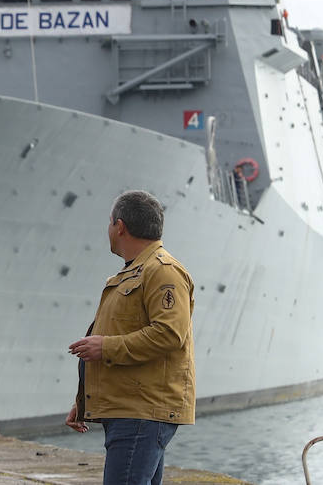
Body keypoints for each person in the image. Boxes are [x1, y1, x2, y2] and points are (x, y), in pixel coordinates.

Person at [65, 190, 195, 485]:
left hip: (141, 413)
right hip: (130, 409)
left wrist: (105, 346)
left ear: (119, 226)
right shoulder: (132, 273)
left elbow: (169, 334)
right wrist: (85, 400)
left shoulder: (163, 272)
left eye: (110, 223)